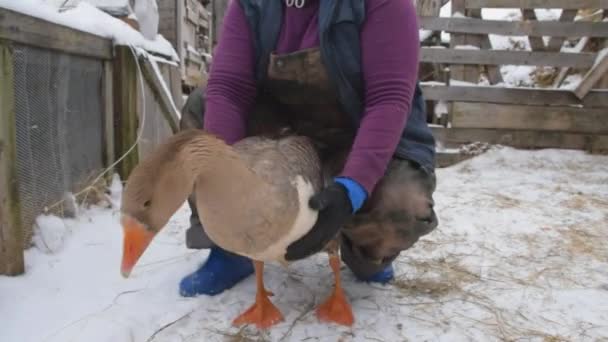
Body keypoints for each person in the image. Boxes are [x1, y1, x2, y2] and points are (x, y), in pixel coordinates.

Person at [178, 0, 438, 297]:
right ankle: (231, 249)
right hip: (282, 135)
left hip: (360, 136)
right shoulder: (252, 5)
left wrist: (353, 187)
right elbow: (230, 88)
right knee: (202, 108)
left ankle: (367, 252)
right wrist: (227, 179)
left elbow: (388, 98)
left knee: (401, 206)